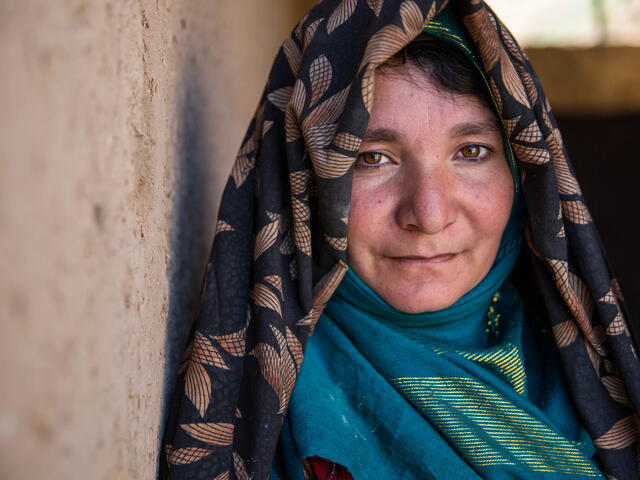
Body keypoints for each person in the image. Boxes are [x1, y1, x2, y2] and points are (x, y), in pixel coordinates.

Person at [160, 1, 640, 479]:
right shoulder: (261, 410)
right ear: (306, 183)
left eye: (471, 152)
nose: (428, 215)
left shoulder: (583, 378)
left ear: (525, 176)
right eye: (372, 158)